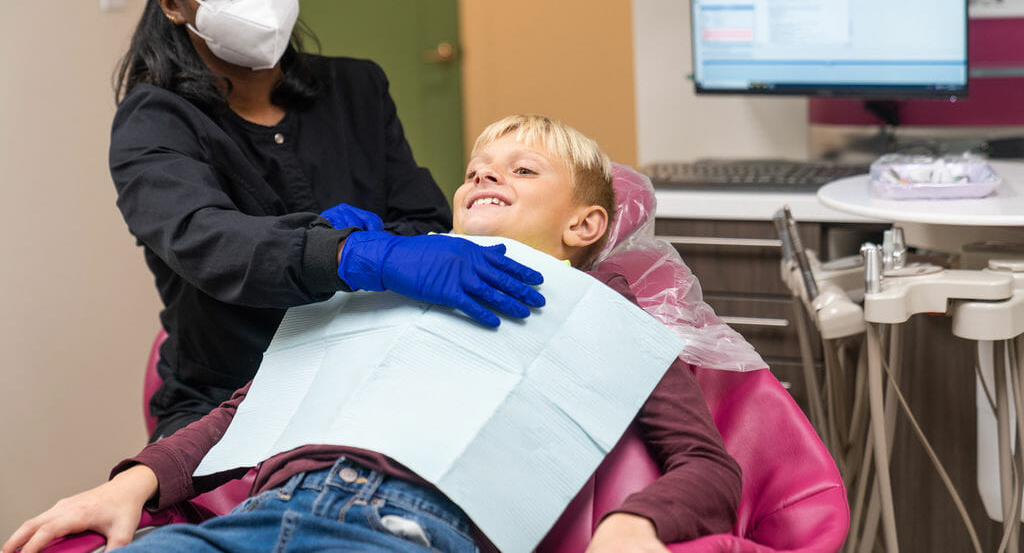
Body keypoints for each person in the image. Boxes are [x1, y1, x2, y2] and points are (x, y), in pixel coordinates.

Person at [4, 115, 741, 553]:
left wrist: (633, 525)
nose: (486, 175)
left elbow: (709, 465)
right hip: (256, 520)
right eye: (476, 168)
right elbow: (243, 412)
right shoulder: (395, 278)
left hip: (400, 529)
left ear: (585, 224)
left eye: (521, 168)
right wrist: (131, 482)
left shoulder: (602, 316)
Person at [110, 0, 544, 441]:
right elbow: (212, 246)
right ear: (172, 2)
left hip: (379, 375)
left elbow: (424, 220)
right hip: (234, 399)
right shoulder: (154, 122)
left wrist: (385, 249)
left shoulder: (357, 88)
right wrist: (347, 253)